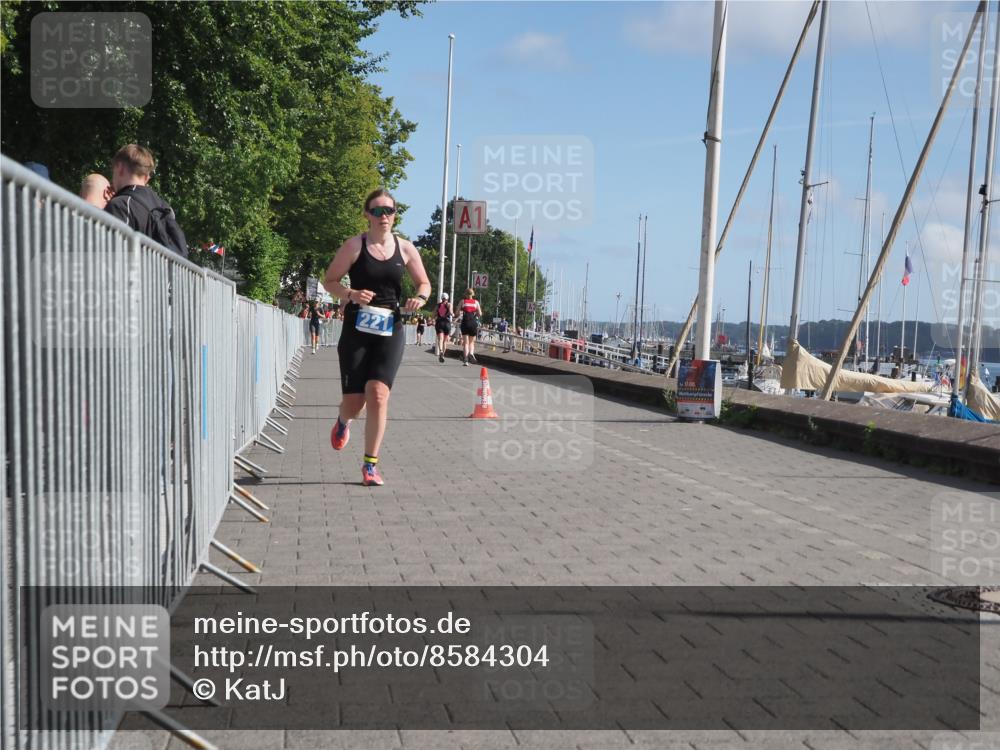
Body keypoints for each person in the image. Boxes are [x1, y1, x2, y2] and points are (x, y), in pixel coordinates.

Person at [324, 189, 431, 487]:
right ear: (367, 214)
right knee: (355, 403)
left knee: (379, 394)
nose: (384, 216)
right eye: (377, 211)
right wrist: (350, 294)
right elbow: (329, 281)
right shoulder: (354, 246)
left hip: (390, 328)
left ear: (396, 214)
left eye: (389, 211)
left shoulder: (406, 248)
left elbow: (424, 283)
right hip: (357, 327)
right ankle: (343, 422)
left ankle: (370, 465)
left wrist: (420, 298)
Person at [104, 144, 188, 258]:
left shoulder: (121, 205)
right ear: (146, 177)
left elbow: (111, 257)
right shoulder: (164, 207)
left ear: (120, 168)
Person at [458, 288, 482, 366]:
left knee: (465, 343)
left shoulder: (462, 301)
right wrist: (476, 316)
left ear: (465, 294)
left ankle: (466, 360)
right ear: (473, 294)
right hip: (473, 322)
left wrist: (459, 313)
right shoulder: (476, 302)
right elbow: (480, 314)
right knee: (471, 342)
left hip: (465, 322)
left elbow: (457, 312)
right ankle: (471, 354)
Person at [434, 293, 453, 364]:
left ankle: (441, 351)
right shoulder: (449, 304)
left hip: (439, 322)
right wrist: (451, 314)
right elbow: (451, 312)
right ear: (447, 298)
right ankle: (443, 355)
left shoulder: (438, 305)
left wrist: (432, 320)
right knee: (445, 341)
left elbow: (434, 314)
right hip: (447, 323)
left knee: (440, 339)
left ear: (441, 298)